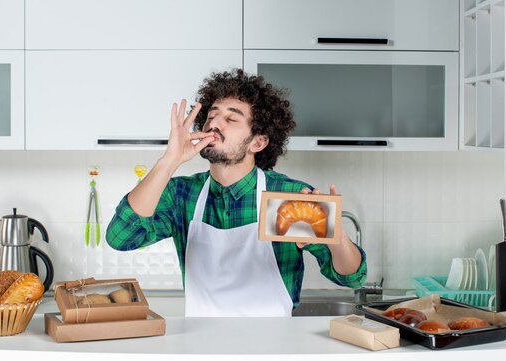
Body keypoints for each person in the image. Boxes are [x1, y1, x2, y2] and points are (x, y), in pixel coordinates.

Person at [106, 68, 366, 317]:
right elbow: (121, 238)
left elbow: (351, 277)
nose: (214, 123)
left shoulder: (287, 196)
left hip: (273, 349)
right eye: (211, 115)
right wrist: (170, 160)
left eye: (231, 118)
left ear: (258, 142)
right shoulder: (182, 194)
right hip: (201, 348)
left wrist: (337, 240)